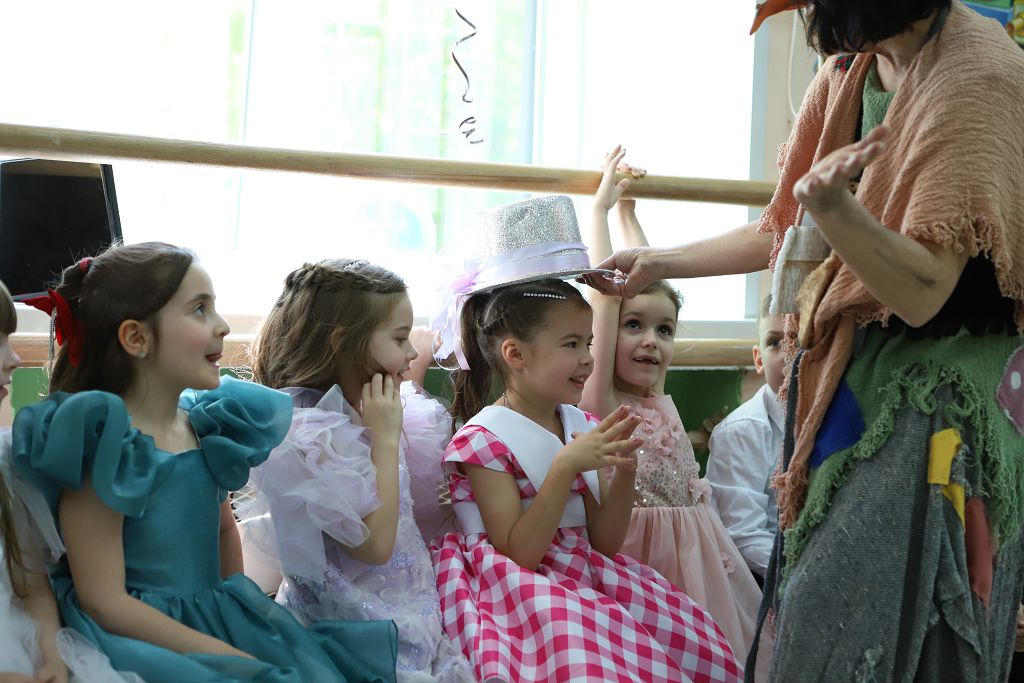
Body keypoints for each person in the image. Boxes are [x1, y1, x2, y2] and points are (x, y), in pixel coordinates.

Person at [589, 2, 1024, 679]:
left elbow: (922, 291)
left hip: (945, 400)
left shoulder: (981, 76)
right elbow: (786, 226)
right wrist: (660, 262)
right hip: (852, 384)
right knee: (822, 612)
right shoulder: (851, 68)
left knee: (926, 632)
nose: (811, 17)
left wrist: (835, 209)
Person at [13, 244, 398, 682]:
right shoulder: (105, 443)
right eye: (200, 309)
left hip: (212, 614)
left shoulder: (206, 424)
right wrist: (224, 653)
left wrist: (242, 621)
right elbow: (104, 602)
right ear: (136, 338)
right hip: (139, 637)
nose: (223, 325)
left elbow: (222, 532)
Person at [430, 195, 742, 682]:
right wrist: (565, 466)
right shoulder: (483, 440)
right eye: (572, 344)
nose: (589, 360)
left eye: (590, 343)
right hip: (520, 596)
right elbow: (520, 554)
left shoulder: (580, 423)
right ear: (515, 354)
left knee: (697, 651)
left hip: (590, 578)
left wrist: (625, 471)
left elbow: (606, 542)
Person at [240, 258, 473, 682]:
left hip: (411, 614)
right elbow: (373, 547)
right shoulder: (308, 437)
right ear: (343, 342)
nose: (411, 352)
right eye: (399, 338)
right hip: (355, 636)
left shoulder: (370, 414)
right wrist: (384, 441)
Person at [580, 148, 762, 662]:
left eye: (664, 330)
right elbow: (606, 293)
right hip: (643, 564)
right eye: (633, 326)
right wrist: (600, 210)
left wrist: (628, 212)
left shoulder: (656, 393)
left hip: (699, 559)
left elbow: (646, 275)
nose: (650, 340)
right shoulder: (602, 399)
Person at [706, 295, 786, 586]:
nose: (790, 354)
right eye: (776, 342)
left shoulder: (839, 417)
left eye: (805, 340)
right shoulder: (742, 431)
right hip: (764, 575)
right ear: (759, 359)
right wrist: (805, 578)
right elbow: (743, 534)